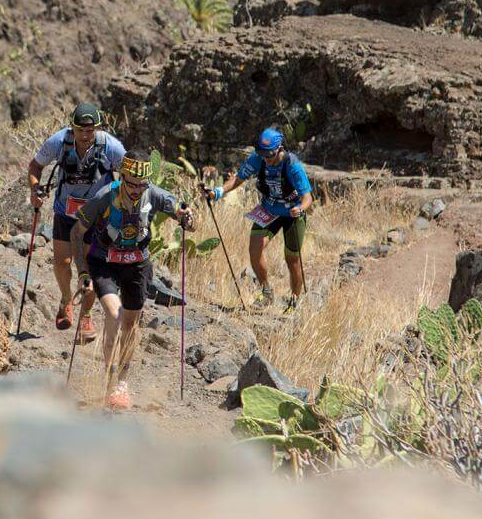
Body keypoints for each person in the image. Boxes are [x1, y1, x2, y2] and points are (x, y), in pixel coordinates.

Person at [71, 151, 194, 411]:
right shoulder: (104, 197)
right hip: (104, 262)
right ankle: (111, 380)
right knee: (115, 316)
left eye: (142, 184)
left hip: (137, 263)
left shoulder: (152, 193)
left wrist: (186, 217)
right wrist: (82, 272)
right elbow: (76, 232)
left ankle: (122, 383)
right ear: (122, 176)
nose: (137, 189)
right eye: (132, 183)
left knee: (130, 324)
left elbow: (178, 210)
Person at [27, 103, 125, 342]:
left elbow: (128, 175)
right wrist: (35, 190)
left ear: (98, 128)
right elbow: (35, 165)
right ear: (72, 127)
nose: (85, 135)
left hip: (96, 216)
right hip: (65, 212)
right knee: (63, 262)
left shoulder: (111, 147)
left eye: (90, 130)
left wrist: (117, 200)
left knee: (89, 269)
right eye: (80, 129)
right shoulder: (58, 142)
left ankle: (86, 316)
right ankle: (65, 299)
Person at [205, 127, 312, 309]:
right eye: (262, 154)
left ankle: (294, 300)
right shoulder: (259, 158)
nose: (266, 159)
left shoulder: (292, 164)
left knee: (292, 259)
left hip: (292, 214)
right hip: (269, 209)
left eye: (269, 155)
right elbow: (239, 178)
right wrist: (219, 191)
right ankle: (266, 292)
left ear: (280, 149)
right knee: (255, 248)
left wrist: (300, 209)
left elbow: (307, 197)